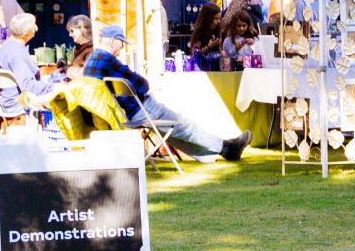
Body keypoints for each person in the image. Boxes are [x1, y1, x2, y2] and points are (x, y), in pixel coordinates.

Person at [85, 24, 250, 162]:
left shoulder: (92, 61)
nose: (121, 49)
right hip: (139, 110)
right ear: (114, 41)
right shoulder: (109, 60)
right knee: (184, 126)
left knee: (172, 132)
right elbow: (142, 84)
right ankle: (226, 147)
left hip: (120, 113)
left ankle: (221, 151)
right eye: (121, 43)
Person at [0, 12, 59, 125]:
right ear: (25, 33)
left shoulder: (6, 47)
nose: (37, 28)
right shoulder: (17, 54)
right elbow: (27, 85)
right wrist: (53, 88)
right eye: (34, 25)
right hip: (19, 104)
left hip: (6, 100)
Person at [187, 1, 224, 67]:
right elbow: (194, 53)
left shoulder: (217, 31)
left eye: (219, 18)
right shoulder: (200, 33)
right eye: (216, 19)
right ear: (207, 19)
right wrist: (209, 47)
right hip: (203, 66)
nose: (219, 21)